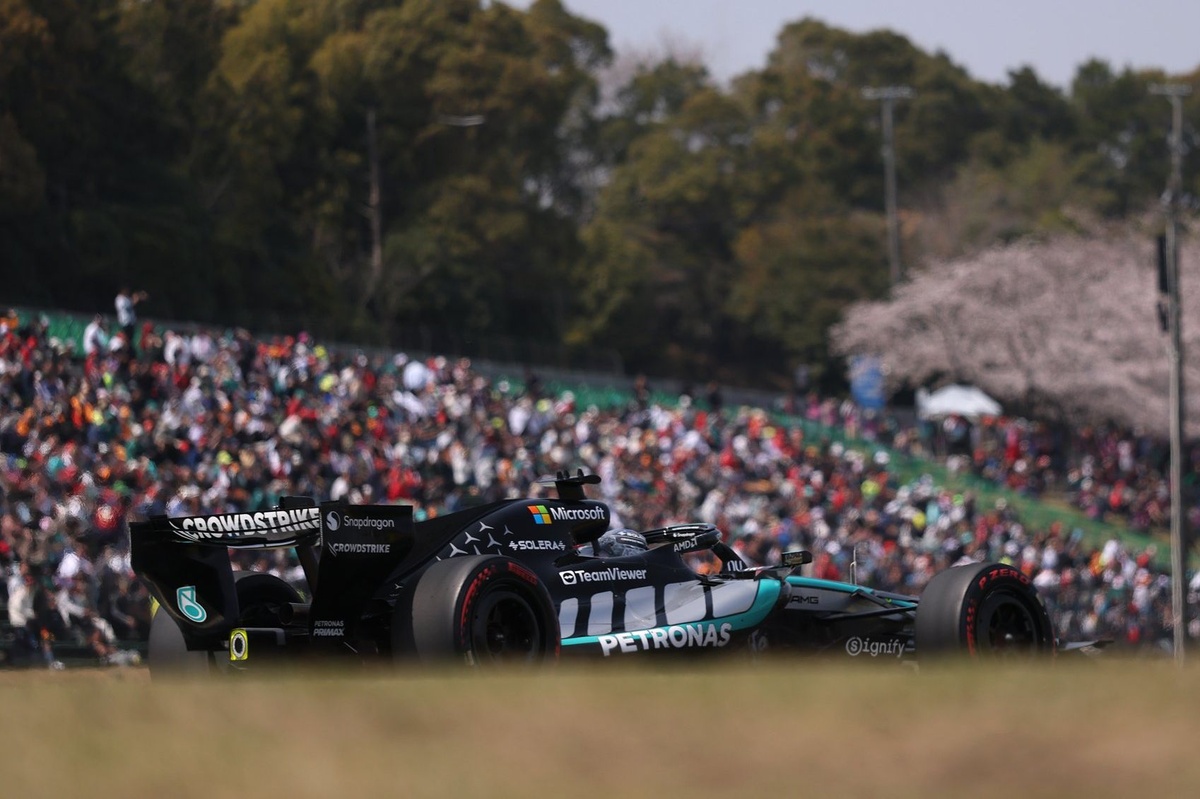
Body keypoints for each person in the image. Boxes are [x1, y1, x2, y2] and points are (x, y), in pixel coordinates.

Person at [114, 286, 148, 352]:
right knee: (126, 340)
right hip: (125, 322)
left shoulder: (126, 298)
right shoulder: (120, 299)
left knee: (130, 340)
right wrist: (135, 298)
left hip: (130, 322)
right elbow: (129, 305)